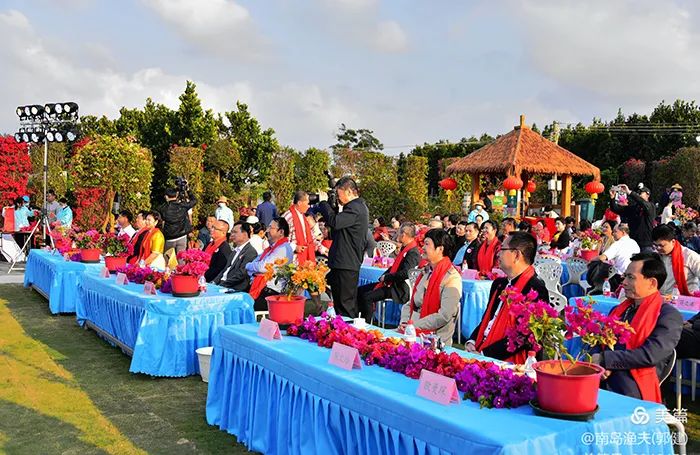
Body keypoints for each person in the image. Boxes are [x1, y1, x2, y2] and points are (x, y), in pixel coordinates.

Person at [590, 253, 682, 403]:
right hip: (603, 374)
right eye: (625, 276)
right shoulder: (619, 309)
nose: (624, 282)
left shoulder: (668, 316)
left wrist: (605, 359)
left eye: (631, 277)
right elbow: (598, 340)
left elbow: (649, 355)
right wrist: (596, 359)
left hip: (632, 382)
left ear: (652, 283)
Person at [467, 232, 549, 361]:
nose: (498, 254)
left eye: (502, 249)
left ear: (516, 255)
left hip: (509, 360)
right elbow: (487, 320)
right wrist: (472, 341)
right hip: (482, 349)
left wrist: (484, 355)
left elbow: (525, 336)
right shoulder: (499, 284)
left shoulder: (535, 289)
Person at [317, 177, 369, 318]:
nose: (338, 199)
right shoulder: (354, 208)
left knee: (346, 306)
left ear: (349, 192)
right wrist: (331, 206)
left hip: (347, 263)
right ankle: (341, 332)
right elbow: (337, 228)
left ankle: (348, 335)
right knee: (340, 304)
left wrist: (323, 203)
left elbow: (335, 221)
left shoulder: (356, 208)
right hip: (343, 262)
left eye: (339, 195)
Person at [399, 229, 461, 346]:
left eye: (427, 244)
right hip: (412, 330)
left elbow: (444, 315)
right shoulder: (425, 272)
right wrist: (405, 322)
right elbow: (410, 304)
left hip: (434, 339)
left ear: (440, 249)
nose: (422, 247)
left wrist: (414, 325)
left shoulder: (452, 277)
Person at [358, 223, 420, 323]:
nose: (397, 235)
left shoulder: (412, 253)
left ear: (403, 235)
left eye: (398, 233)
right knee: (361, 290)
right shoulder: (406, 249)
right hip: (392, 283)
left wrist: (387, 277)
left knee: (367, 297)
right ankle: (359, 319)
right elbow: (395, 266)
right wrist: (384, 276)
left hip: (399, 288)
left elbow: (405, 273)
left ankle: (366, 324)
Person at [246, 217, 294, 310]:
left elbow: (262, 267)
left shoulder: (282, 249)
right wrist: (251, 267)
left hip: (271, 291)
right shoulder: (270, 249)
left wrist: (249, 266)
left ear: (281, 232)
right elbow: (255, 264)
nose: (267, 230)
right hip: (261, 287)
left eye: (271, 228)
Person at [651, 224, 700, 296]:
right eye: (655, 245)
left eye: (661, 245)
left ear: (673, 242)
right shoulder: (655, 256)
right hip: (660, 299)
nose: (658, 248)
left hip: (684, 300)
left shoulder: (689, 256)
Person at [609, 184, 655, 253]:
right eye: (637, 193)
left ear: (648, 195)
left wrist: (629, 192)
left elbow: (643, 203)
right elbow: (617, 209)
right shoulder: (634, 207)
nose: (638, 195)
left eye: (641, 193)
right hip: (633, 242)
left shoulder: (650, 206)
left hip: (645, 244)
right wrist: (612, 198)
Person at [215, 221, 258, 290]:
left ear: (245, 234)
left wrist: (222, 285)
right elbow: (225, 269)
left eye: (235, 232)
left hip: (234, 288)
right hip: (223, 284)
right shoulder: (234, 251)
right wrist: (214, 282)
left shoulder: (250, 252)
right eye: (232, 232)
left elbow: (241, 274)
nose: (232, 235)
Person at [159, 187, 197, 254]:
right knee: (181, 258)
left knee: (168, 259)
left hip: (169, 237)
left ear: (166, 196)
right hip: (182, 235)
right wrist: (188, 190)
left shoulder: (162, 209)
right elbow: (194, 201)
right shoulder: (182, 206)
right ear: (176, 195)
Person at [283, 191, 316, 265]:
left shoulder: (303, 216)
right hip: (293, 260)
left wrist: (322, 249)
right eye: (307, 203)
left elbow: (311, 237)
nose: (308, 206)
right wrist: (294, 247)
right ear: (299, 203)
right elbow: (281, 240)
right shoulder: (288, 217)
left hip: (306, 258)